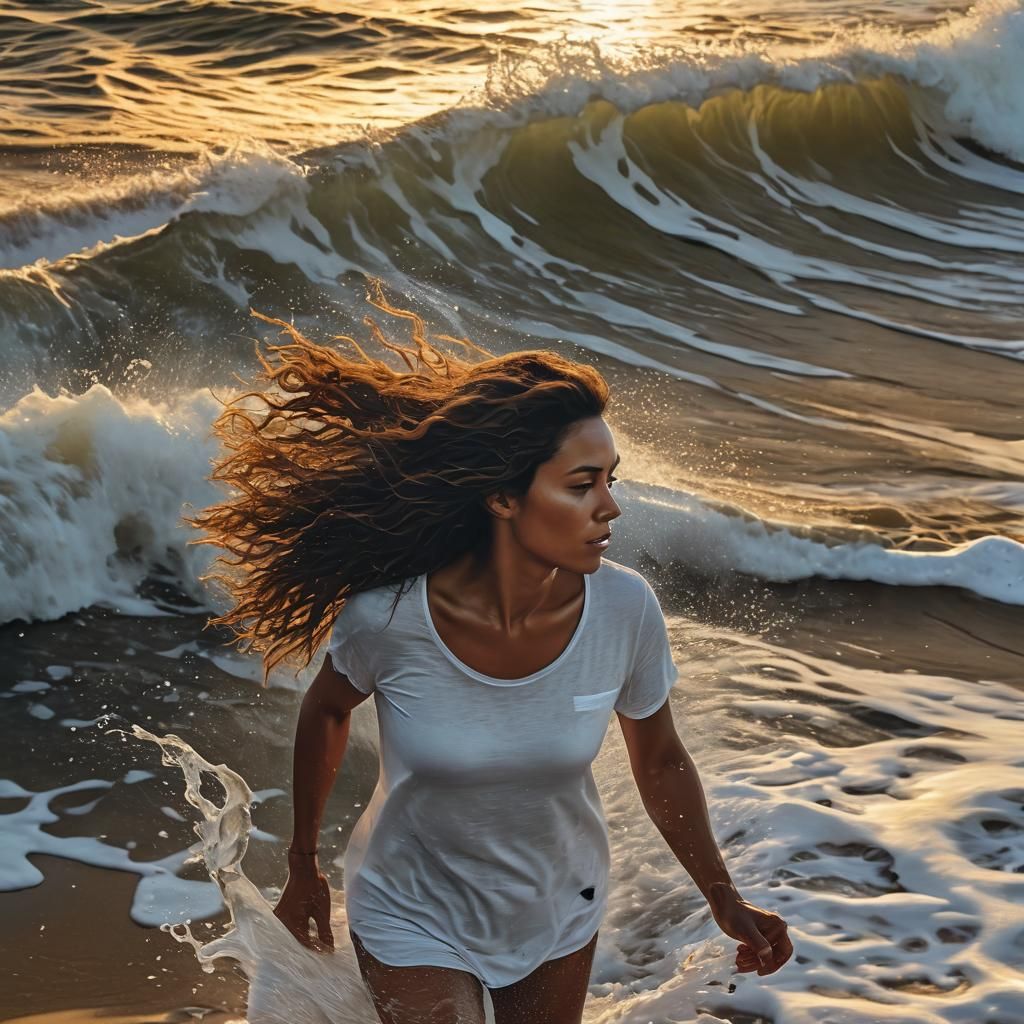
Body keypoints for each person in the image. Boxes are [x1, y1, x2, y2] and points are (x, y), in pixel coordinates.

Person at [191, 290, 792, 1024]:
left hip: (557, 909)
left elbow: (660, 759)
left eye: (612, 480)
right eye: (582, 485)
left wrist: (722, 895)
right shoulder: (389, 617)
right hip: (410, 907)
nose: (611, 508)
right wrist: (303, 865)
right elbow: (326, 710)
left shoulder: (624, 609)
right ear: (503, 498)